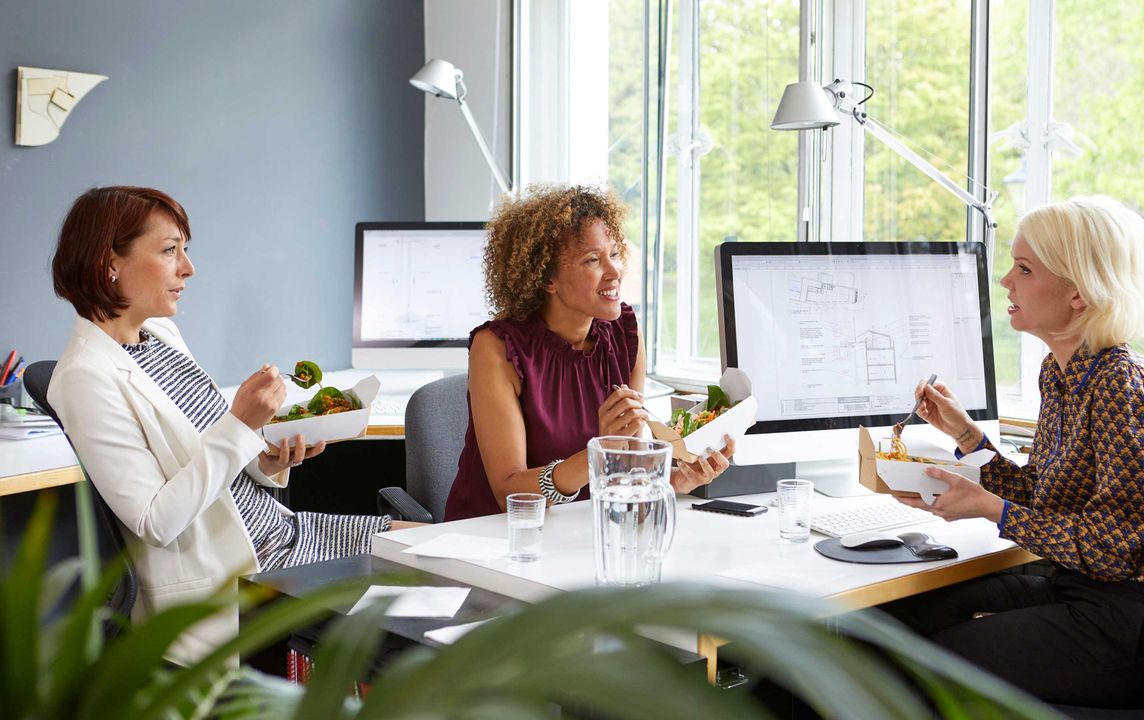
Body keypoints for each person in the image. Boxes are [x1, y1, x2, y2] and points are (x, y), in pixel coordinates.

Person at [47, 186, 404, 665]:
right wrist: (240, 423)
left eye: (185, 251)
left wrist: (266, 457)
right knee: (425, 585)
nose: (188, 269)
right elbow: (157, 520)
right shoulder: (84, 378)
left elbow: (211, 454)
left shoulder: (159, 335)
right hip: (247, 572)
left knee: (422, 543)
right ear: (109, 263)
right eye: (170, 250)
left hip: (286, 533)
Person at [888, 196, 1144, 708]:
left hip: (1135, 624)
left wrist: (993, 510)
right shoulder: (1063, 373)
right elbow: (1045, 494)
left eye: (1025, 269)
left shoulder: (1124, 385)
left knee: (923, 663)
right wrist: (969, 437)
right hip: (1082, 589)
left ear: (1078, 293)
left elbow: (1113, 548)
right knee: (898, 619)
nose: (1006, 282)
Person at [444, 184, 734, 521]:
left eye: (613, 254)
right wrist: (601, 449)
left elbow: (624, 472)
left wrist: (671, 478)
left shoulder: (624, 333)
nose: (615, 272)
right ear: (547, 278)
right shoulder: (496, 348)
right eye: (593, 259)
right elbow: (509, 492)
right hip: (490, 539)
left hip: (580, 532)